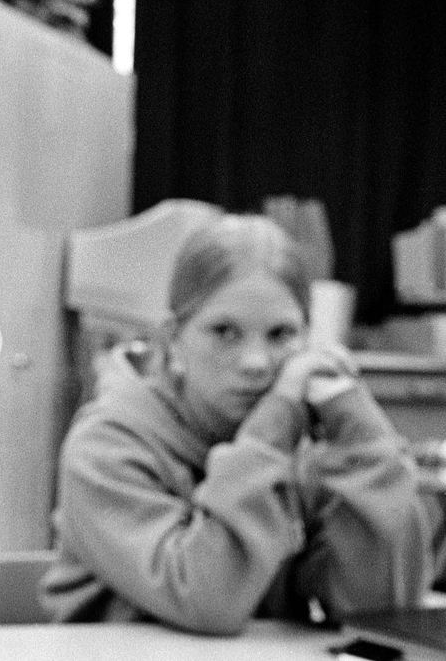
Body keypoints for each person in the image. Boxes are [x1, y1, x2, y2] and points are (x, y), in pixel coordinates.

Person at [41, 214, 441, 634]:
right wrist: (269, 435)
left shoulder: (303, 444)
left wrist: (362, 436)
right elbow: (207, 601)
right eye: (225, 332)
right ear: (173, 340)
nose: (256, 363)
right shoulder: (106, 445)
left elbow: (378, 608)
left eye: (281, 334)